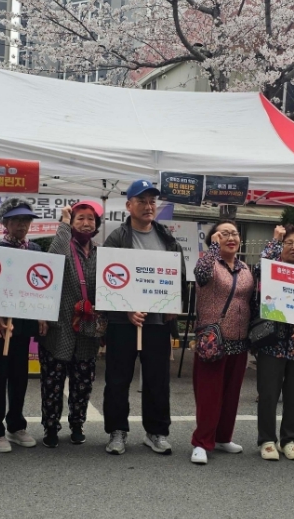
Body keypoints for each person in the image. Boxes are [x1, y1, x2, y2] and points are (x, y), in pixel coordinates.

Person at [102, 179, 186, 455]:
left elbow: (179, 276)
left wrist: (175, 303)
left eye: (152, 201)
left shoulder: (167, 238)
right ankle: (117, 431)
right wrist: (126, 308)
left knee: (157, 379)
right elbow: (107, 279)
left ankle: (157, 431)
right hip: (122, 322)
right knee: (117, 378)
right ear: (129, 206)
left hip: (158, 323)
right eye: (142, 201)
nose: (149, 206)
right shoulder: (117, 237)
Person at [40, 201, 104, 448]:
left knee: (83, 382)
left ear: (97, 225)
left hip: (88, 329)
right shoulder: (63, 246)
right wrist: (64, 225)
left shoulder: (101, 254)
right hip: (60, 326)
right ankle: (50, 426)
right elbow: (52, 263)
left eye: (91, 219)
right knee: (53, 382)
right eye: (80, 218)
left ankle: (77, 424)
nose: (86, 222)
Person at [0, 197, 43, 453]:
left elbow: (42, 287)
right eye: (16, 220)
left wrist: (42, 314)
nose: (22, 225)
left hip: (24, 322)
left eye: (26, 219)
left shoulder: (36, 250)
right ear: (5, 222)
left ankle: (16, 425)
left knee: (19, 375)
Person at [189, 220, 253, 465]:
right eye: (224, 233)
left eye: (235, 233)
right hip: (213, 340)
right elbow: (201, 274)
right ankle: (201, 442)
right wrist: (213, 248)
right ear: (213, 239)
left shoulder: (245, 267)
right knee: (209, 394)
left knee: (231, 393)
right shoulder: (208, 263)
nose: (231, 237)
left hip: (240, 340)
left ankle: (223, 437)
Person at [253, 225, 294, 461]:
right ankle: (267, 440)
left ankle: (289, 439)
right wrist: (274, 241)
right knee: (268, 393)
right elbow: (261, 268)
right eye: (288, 243)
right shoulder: (271, 270)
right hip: (273, 341)